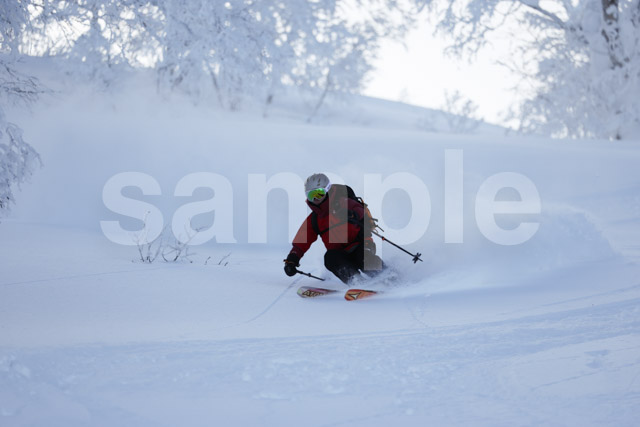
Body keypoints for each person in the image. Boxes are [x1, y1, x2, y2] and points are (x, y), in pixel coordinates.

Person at [283, 173, 384, 284]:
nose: (316, 198)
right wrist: (292, 259)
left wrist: (352, 214)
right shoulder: (314, 219)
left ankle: (389, 277)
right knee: (330, 258)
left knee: (363, 259)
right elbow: (301, 242)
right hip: (341, 254)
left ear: (327, 190)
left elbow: (359, 209)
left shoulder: (343, 202)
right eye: (311, 195)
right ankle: (356, 281)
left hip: (361, 245)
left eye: (319, 193)